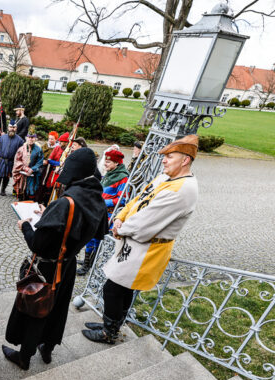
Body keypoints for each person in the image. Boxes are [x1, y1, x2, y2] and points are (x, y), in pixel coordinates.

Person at [82, 135, 200, 344]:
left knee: (114, 288)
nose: (163, 160)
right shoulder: (164, 178)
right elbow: (138, 200)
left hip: (147, 249)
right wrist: (120, 217)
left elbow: (147, 222)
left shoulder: (183, 189)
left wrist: (120, 229)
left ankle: (109, 332)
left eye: (169, 157)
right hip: (133, 242)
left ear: (185, 160)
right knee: (122, 288)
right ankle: (112, 325)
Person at [3, 148, 107, 369]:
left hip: (48, 268)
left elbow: (37, 244)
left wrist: (25, 226)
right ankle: (47, 348)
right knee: (58, 309)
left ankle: (24, 357)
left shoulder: (66, 202)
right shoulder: (96, 197)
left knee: (37, 309)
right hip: (68, 265)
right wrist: (49, 214)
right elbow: (96, 231)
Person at [78, 147, 129, 276]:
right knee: (89, 236)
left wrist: (103, 202)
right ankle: (87, 262)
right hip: (97, 210)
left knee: (96, 238)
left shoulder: (123, 178)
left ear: (116, 163)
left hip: (107, 214)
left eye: (108, 162)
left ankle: (90, 264)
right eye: (105, 161)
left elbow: (122, 199)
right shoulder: (109, 174)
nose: (105, 164)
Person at [0, 121, 24, 197]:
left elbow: (21, 153)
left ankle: (3, 190)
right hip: (1, 160)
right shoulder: (1, 138)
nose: (12, 129)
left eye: (14, 127)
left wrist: (18, 163)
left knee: (7, 176)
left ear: (16, 128)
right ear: (8, 128)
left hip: (11, 161)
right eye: (10, 127)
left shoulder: (20, 140)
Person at [12, 132, 44, 201]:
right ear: (26, 138)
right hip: (22, 174)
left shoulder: (38, 150)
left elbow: (40, 162)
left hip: (33, 175)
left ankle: (29, 204)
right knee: (21, 192)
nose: (30, 139)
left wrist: (32, 169)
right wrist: (25, 168)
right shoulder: (21, 149)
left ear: (35, 139)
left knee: (31, 192)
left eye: (32, 138)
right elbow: (17, 160)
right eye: (29, 137)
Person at [35, 131, 60, 203]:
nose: (50, 140)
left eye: (52, 139)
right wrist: (42, 161)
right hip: (42, 166)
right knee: (39, 181)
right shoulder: (45, 146)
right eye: (49, 138)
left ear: (56, 139)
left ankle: (44, 199)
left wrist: (48, 161)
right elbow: (39, 155)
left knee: (46, 183)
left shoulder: (57, 148)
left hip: (50, 168)